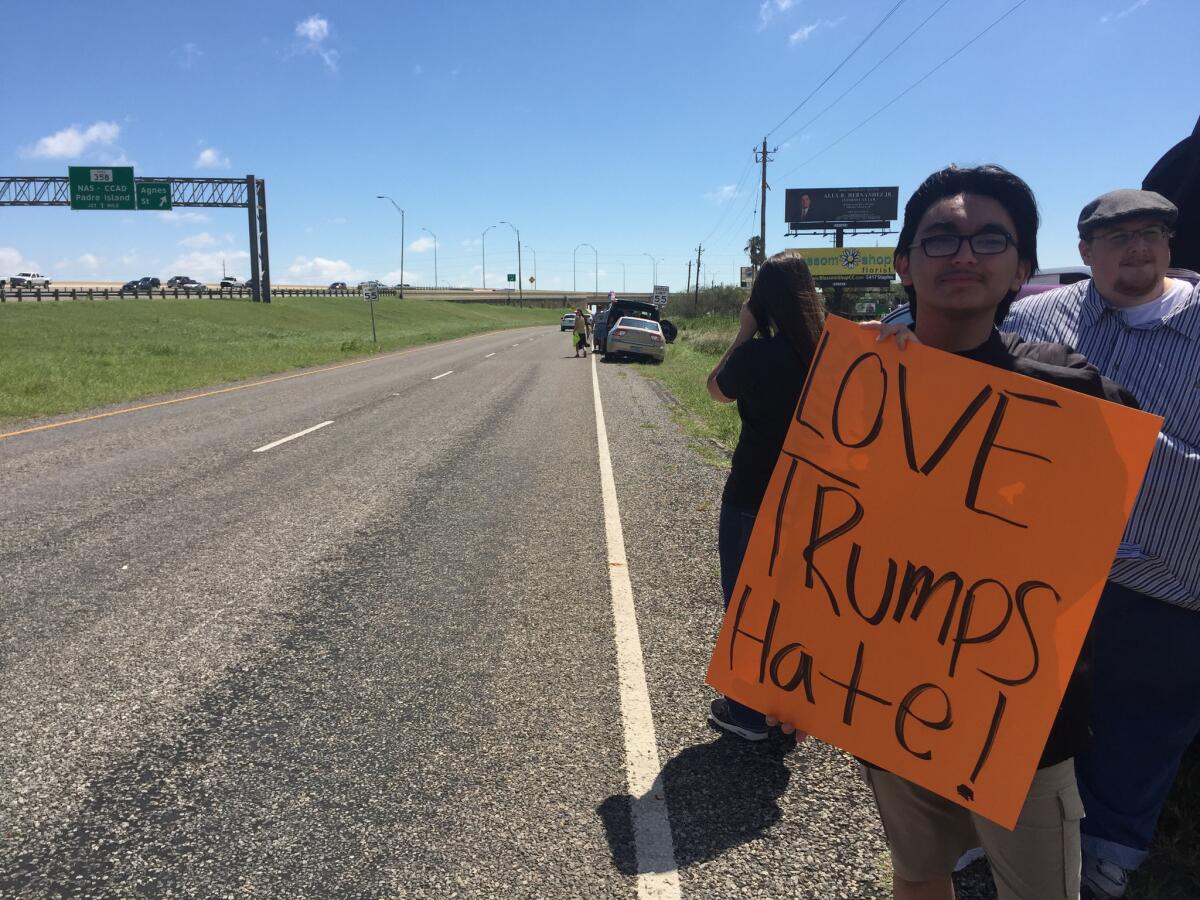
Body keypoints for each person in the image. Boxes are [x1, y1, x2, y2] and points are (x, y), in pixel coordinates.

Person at [778, 164, 1135, 900]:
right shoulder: (856, 385)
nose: (964, 254)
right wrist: (795, 672)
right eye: (940, 238)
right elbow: (816, 536)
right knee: (917, 874)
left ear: (1021, 268)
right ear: (904, 264)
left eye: (989, 238)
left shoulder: (1076, 393)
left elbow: (1103, 532)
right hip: (887, 694)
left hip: (1021, 717)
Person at [1002, 190, 1200, 900]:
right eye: (1116, 237)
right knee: (1024, 703)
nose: (1135, 249)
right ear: (1085, 252)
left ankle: (1108, 853)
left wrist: (1124, 439)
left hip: (1166, 577)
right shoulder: (1035, 315)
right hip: (1043, 563)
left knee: (1141, 723)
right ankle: (1000, 831)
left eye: (1149, 233)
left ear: (1170, 244)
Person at [704, 252, 825, 740]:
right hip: (812, 505)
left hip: (752, 496)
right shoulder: (830, 354)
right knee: (794, 607)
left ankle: (750, 714)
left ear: (761, 302)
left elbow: (716, 389)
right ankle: (789, 711)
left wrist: (743, 332)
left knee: (746, 605)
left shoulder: (756, 355)